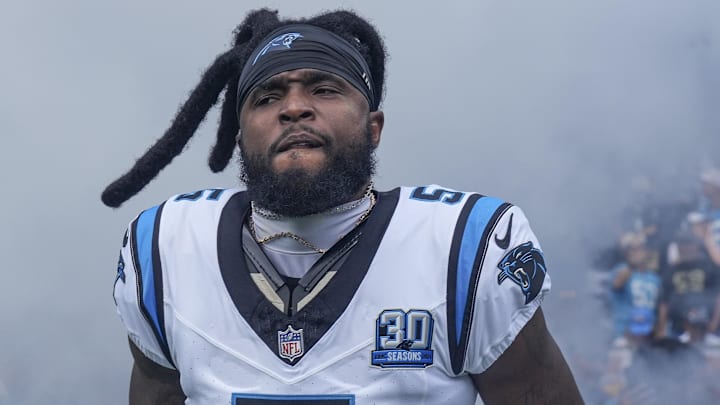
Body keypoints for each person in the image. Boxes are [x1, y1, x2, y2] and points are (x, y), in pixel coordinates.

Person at [104, 9, 582, 404]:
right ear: (239, 134)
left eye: (324, 89)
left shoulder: (465, 247)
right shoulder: (166, 244)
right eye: (268, 97)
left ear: (374, 126)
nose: (293, 108)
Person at [609, 233, 661, 343]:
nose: (635, 252)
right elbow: (617, 285)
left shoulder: (654, 278)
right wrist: (632, 265)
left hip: (648, 333)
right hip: (625, 333)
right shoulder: (621, 271)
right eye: (632, 249)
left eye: (640, 248)